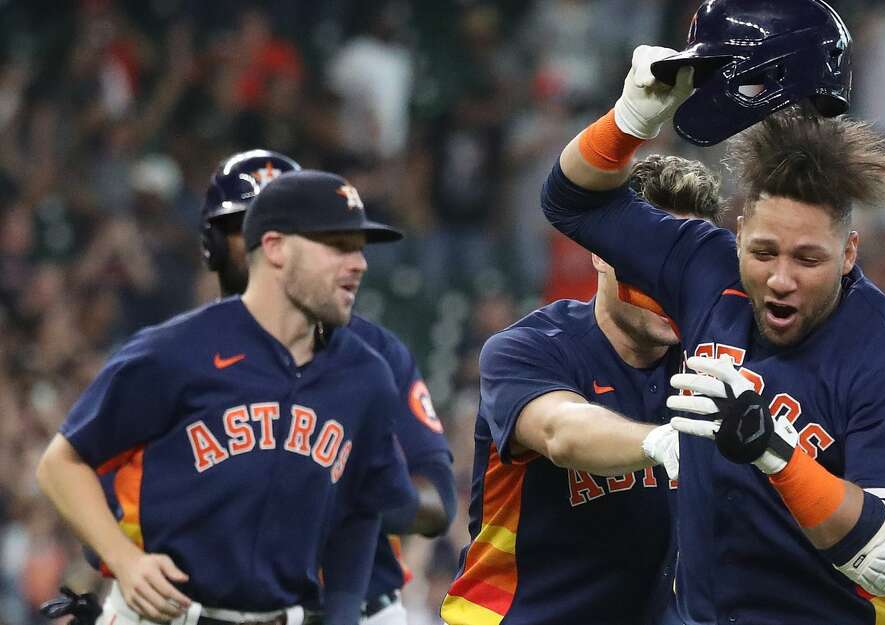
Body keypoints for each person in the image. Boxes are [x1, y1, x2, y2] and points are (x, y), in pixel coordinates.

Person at [540, 44, 885, 625]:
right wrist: (632, 118)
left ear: (850, 253)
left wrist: (774, 452)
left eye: (808, 258)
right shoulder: (704, 268)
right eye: (763, 252)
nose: (780, 278)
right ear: (737, 237)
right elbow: (571, 201)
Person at [36, 170, 418, 625]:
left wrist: (342, 618)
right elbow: (61, 464)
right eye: (337, 245)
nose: (359, 263)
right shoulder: (176, 351)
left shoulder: (366, 376)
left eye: (359, 248)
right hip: (164, 617)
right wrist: (123, 559)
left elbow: (358, 513)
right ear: (274, 248)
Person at [441, 155, 724, 625]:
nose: (671, 278)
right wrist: (662, 441)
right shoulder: (525, 349)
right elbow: (561, 432)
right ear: (598, 249)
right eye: (652, 255)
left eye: (688, 260)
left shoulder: (715, 361)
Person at [200, 150, 457, 625]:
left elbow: (437, 501)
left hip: (358, 607)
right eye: (242, 227)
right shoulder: (183, 357)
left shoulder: (373, 355)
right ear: (212, 244)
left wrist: (361, 485)